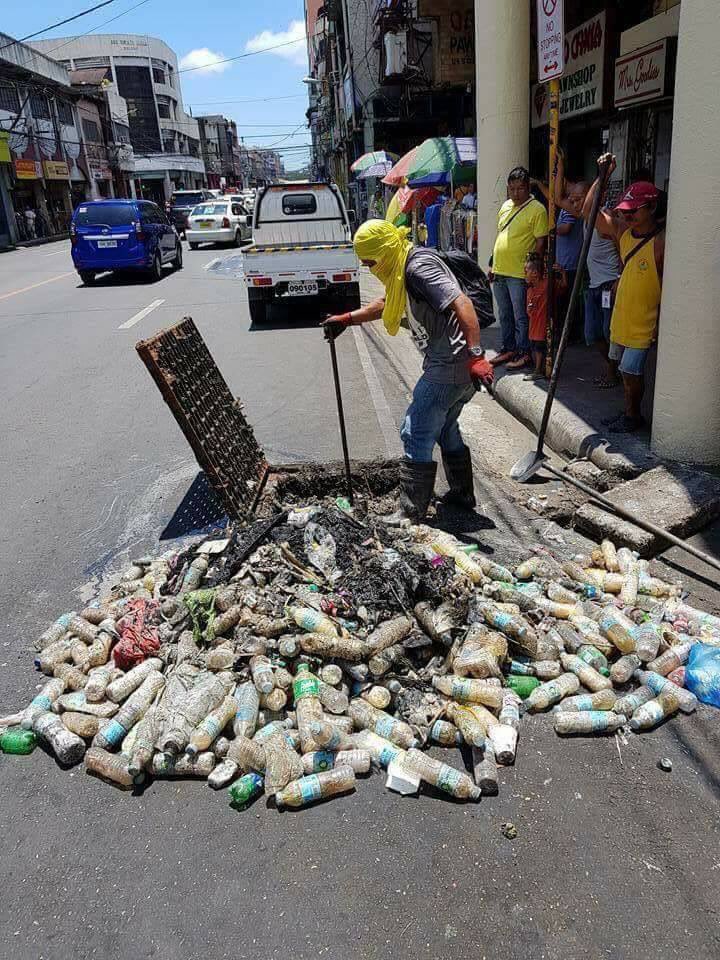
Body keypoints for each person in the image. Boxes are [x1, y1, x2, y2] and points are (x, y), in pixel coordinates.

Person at [322, 218, 494, 522]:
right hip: (452, 363)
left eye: (371, 261)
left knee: (414, 431)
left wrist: (477, 355)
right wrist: (347, 319)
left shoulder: (417, 268)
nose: (371, 268)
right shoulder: (402, 266)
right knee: (445, 427)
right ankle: (462, 494)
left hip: (451, 363)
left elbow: (462, 302)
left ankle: (410, 510)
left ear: (385, 249)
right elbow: (387, 302)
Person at [586, 154, 665, 433]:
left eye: (634, 211)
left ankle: (633, 417)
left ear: (652, 208)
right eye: (625, 212)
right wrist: (602, 177)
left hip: (645, 321)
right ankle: (629, 412)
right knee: (623, 372)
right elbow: (590, 212)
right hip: (622, 317)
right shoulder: (623, 233)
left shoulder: (661, 242)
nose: (628, 216)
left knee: (632, 371)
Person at [489, 167, 548, 370]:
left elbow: (541, 243)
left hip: (519, 274)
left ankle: (525, 353)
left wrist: (534, 273)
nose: (515, 193)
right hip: (500, 270)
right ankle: (509, 348)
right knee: (504, 314)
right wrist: (492, 264)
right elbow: (501, 236)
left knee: (521, 316)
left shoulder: (538, 209)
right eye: (512, 189)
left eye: (520, 188)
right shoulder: (505, 206)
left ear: (527, 187)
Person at [580, 165, 623, 389]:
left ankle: (615, 372)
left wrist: (602, 175)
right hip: (594, 286)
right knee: (592, 334)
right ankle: (613, 370)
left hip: (608, 285)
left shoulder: (605, 218)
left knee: (609, 333)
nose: (578, 202)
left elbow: (622, 249)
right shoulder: (585, 219)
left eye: (583, 197)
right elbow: (558, 198)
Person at [523, 252, 567, 382]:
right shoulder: (530, 290)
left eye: (526, 271)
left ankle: (539, 371)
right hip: (534, 326)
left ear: (535, 273)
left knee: (541, 349)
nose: (524, 274)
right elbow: (529, 311)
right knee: (536, 348)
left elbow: (563, 287)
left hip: (544, 326)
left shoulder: (547, 284)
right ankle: (539, 369)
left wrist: (563, 273)